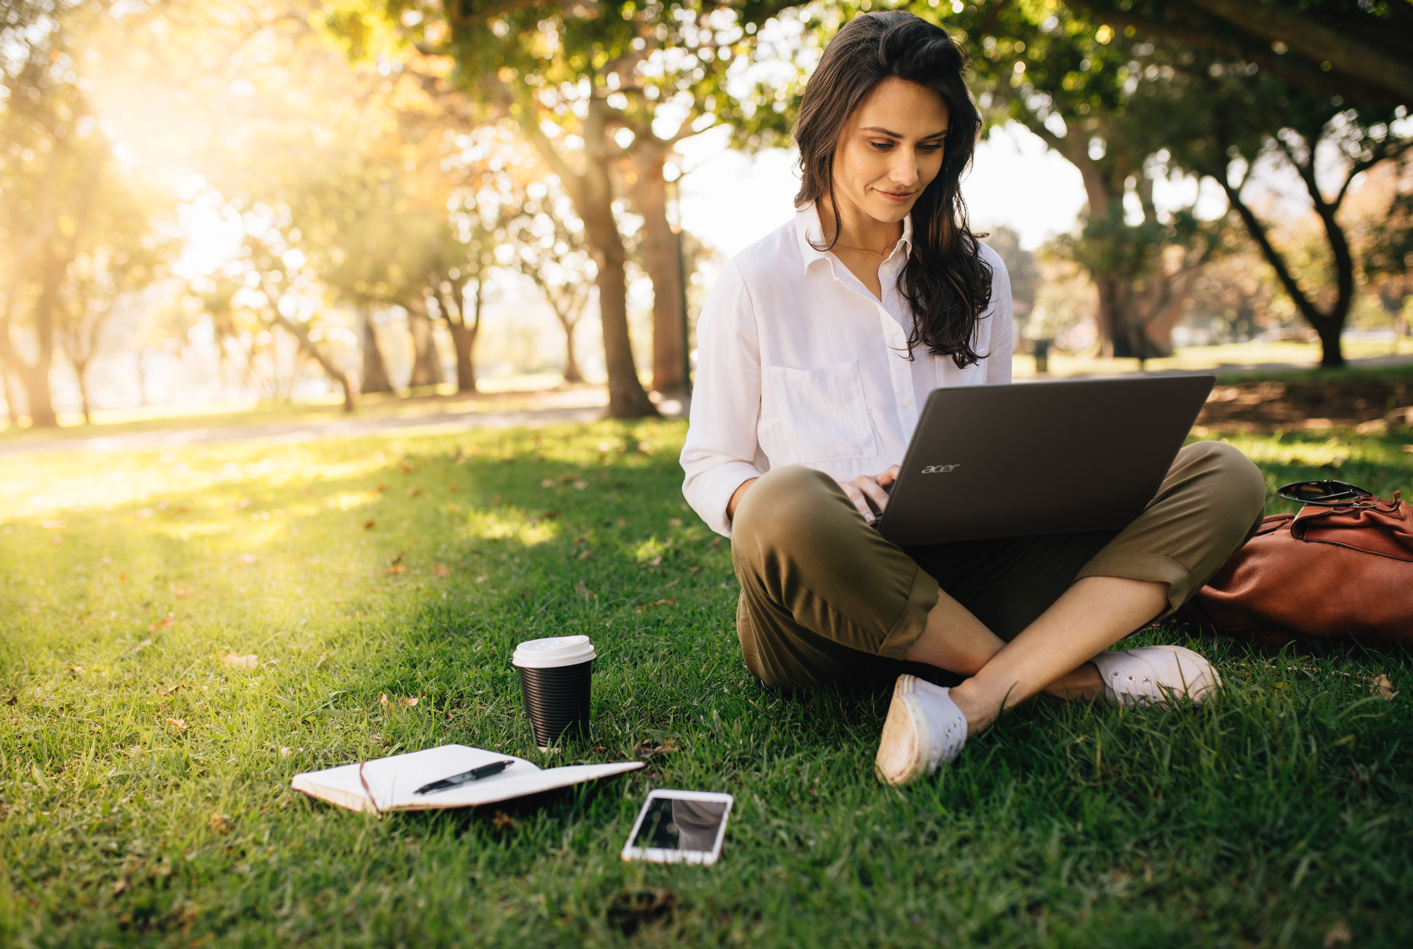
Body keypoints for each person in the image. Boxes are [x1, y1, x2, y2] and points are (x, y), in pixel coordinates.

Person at [679, 11, 1267, 786]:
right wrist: (828, 492)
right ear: (826, 132)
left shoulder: (977, 274)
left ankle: (980, 695)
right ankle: (1068, 678)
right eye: (881, 143)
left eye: (929, 146)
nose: (906, 172)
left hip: (970, 580)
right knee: (782, 502)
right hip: (827, 609)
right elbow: (711, 464)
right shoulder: (755, 280)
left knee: (1224, 473)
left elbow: (996, 441)